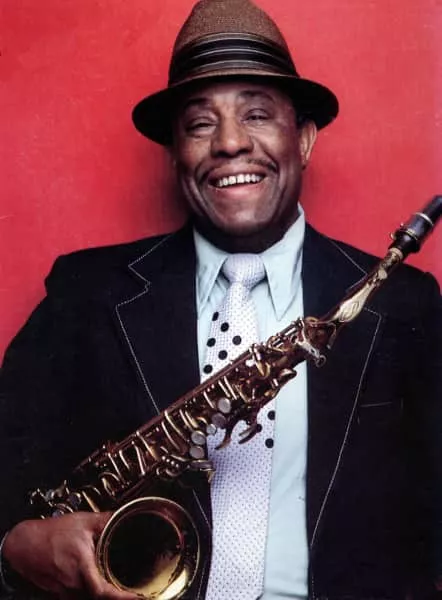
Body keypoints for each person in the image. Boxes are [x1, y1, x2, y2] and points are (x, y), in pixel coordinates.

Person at [0, 0, 441, 599]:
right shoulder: (86, 293)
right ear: (174, 152)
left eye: (256, 114)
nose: (230, 143)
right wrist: (15, 546)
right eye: (199, 124)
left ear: (304, 139)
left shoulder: (405, 304)